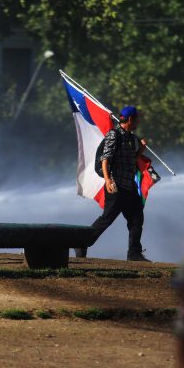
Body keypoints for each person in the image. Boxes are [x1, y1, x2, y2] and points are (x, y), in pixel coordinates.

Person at [76, 105, 149, 262]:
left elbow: (131, 160)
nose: (139, 121)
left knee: (137, 218)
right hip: (116, 186)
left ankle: (134, 253)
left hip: (129, 187)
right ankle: (81, 243)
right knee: (106, 219)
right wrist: (108, 180)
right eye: (137, 118)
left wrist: (141, 150)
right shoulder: (113, 135)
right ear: (130, 119)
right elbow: (105, 158)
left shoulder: (131, 138)